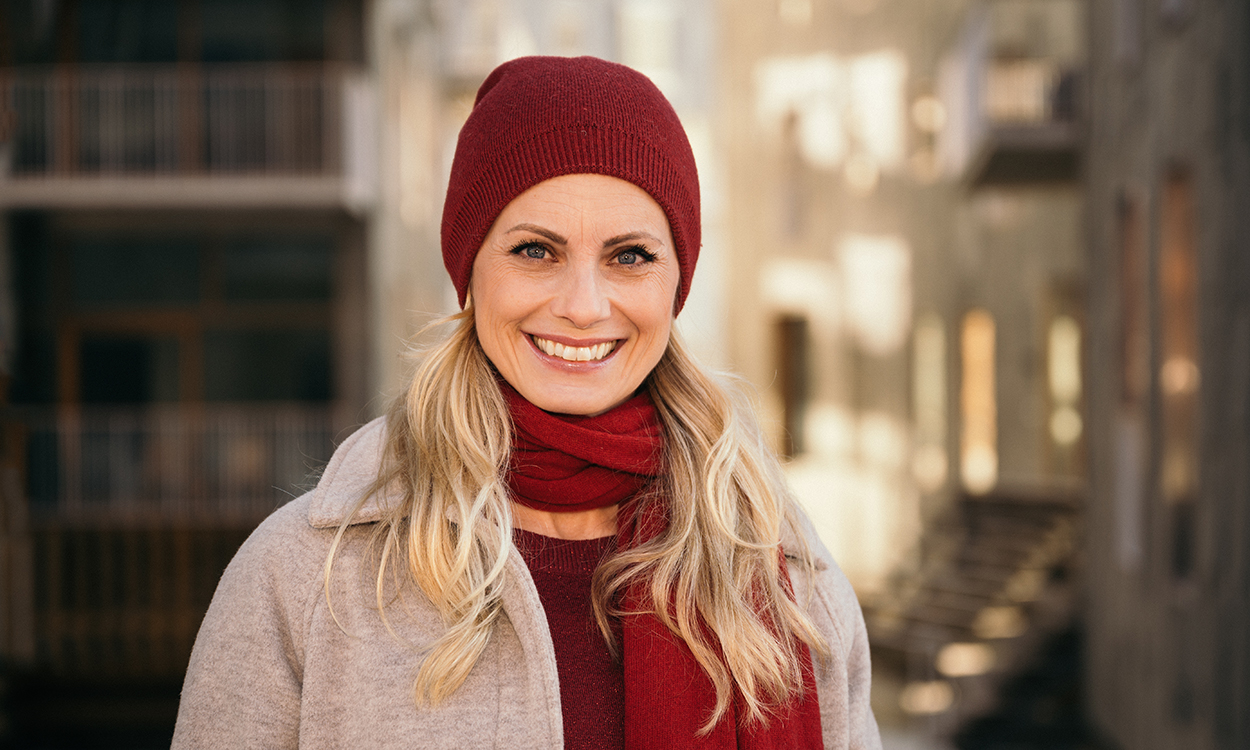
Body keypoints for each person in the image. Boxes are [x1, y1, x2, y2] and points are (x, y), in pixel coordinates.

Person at [173, 55, 881, 750]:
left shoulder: (788, 583)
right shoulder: (304, 578)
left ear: (676, 283)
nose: (582, 305)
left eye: (629, 255)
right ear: (470, 269)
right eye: (536, 251)